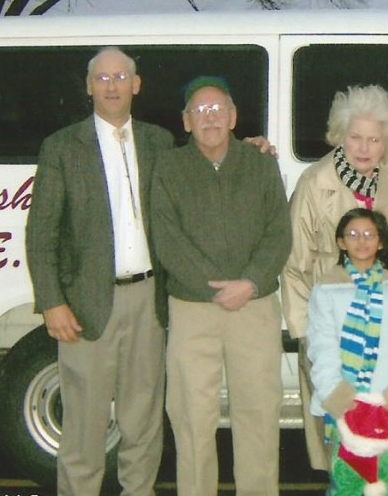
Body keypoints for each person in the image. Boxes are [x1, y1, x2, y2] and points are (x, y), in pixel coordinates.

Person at [25, 47, 173, 496]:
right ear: (89, 87)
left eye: (120, 77)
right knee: (85, 426)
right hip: (87, 303)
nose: (112, 85)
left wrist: (252, 148)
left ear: (136, 84)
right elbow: (41, 233)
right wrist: (52, 302)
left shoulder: (160, 142)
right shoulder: (62, 147)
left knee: (143, 421)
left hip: (149, 301)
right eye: (102, 78)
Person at [282, 84, 388, 477]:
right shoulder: (315, 182)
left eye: (375, 138)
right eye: (356, 137)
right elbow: (294, 261)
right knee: (345, 433)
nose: (364, 147)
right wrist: (304, 332)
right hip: (335, 330)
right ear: (339, 135)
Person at [150, 75, 292, 496]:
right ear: (186, 122)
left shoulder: (260, 164)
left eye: (217, 110)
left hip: (255, 307)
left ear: (232, 117)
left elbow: (278, 233)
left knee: (259, 417)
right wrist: (214, 288)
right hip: (193, 310)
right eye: (200, 111)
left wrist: (249, 282)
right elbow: (166, 237)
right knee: (192, 418)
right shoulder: (170, 168)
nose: (209, 118)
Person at [306, 208, 388, 496]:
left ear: (381, 242)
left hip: (385, 405)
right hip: (345, 405)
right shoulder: (326, 290)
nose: (362, 241)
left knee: (386, 484)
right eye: (353, 234)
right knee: (346, 483)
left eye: (369, 234)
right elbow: (321, 348)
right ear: (340, 242)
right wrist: (338, 399)